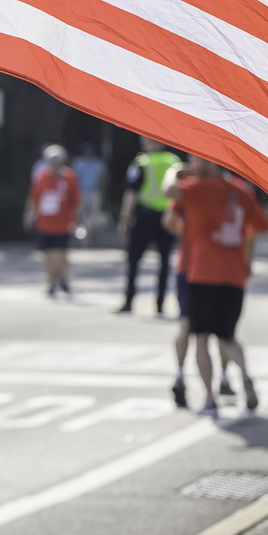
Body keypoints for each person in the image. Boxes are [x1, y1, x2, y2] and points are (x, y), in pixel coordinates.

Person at [169, 159, 268, 416]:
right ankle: (245, 374)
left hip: (202, 272)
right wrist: (246, 255)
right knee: (228, 336)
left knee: (201, 337)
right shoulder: (240, 191)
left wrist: (175, 173)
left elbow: (169, 196)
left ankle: (210, 399)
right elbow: (260, 226)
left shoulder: (198, 189)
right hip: (234, 274)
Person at [118, 138, 182, 315]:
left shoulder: (142, 162)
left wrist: (125, 219)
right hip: (168, 216)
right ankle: (160, 304)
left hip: (145, 216)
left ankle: (129, 301)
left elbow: (131, 192)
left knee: (133, 260)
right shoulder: (174, 161)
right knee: (164, 261)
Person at [160, 160, 198, 408]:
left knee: (187, 325)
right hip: (212, 269)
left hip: (190, 268)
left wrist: (174, 171)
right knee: (221, 334)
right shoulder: (226, 188)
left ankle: (181, 374)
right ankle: (224, 380)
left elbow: (168, 215)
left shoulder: (191, 190)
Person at [24, 144, 80, 297]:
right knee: (48, 254)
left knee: (60, 253)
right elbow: (33, 198)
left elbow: (75, 202)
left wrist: (77, 221)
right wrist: (29, 215)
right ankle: (50, 281)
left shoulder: (69, 177)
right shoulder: (41, 176)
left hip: (63, 223)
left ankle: (63, 278)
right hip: (45, 222)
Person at [72, 142, 107, 242]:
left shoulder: (98, 163)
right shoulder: (78, 162)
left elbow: (104, 176)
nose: (88, 154)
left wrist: (99, 188)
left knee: (94, 215)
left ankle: (92, 234)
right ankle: (82, 236)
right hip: (81, 193)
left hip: (94, 193)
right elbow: (74, 178)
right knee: (81, 215)